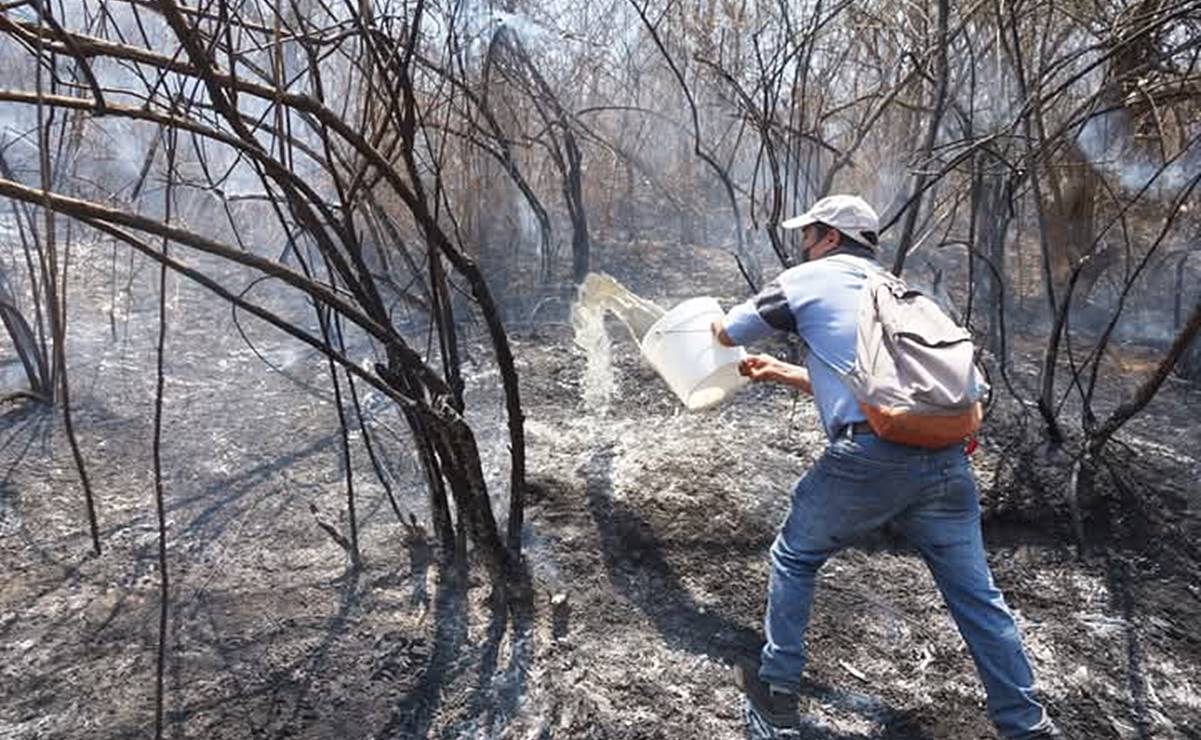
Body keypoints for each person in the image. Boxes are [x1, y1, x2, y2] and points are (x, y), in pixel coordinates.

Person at [712, 194, 1059, 739]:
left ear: (829, 237)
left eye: (809, 234)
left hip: (872, 458)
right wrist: (784, 372)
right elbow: (891, 396)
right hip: (945, 461)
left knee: (795, 555)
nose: (803, 244)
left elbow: (729, 331)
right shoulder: (900, 291)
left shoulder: (811, 278)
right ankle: (1027, 726)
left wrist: (709, 328)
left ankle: (776, 699)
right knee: (978, 598)